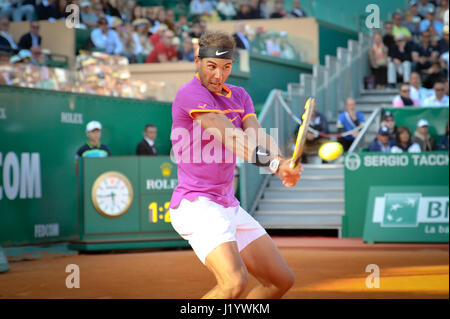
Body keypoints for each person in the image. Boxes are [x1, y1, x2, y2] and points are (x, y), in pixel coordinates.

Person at [169, 31, 298, 299]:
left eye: (226, 67)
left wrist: (283, 162)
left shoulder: (240, 96)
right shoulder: (189, 93)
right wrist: (274, 163)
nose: (218, 75)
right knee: (233, 282)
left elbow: (256, 135)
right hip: (197, 204)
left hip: (228, 204)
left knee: (280, 280)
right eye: (211, 66)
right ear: (197, 60)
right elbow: (230, 136)